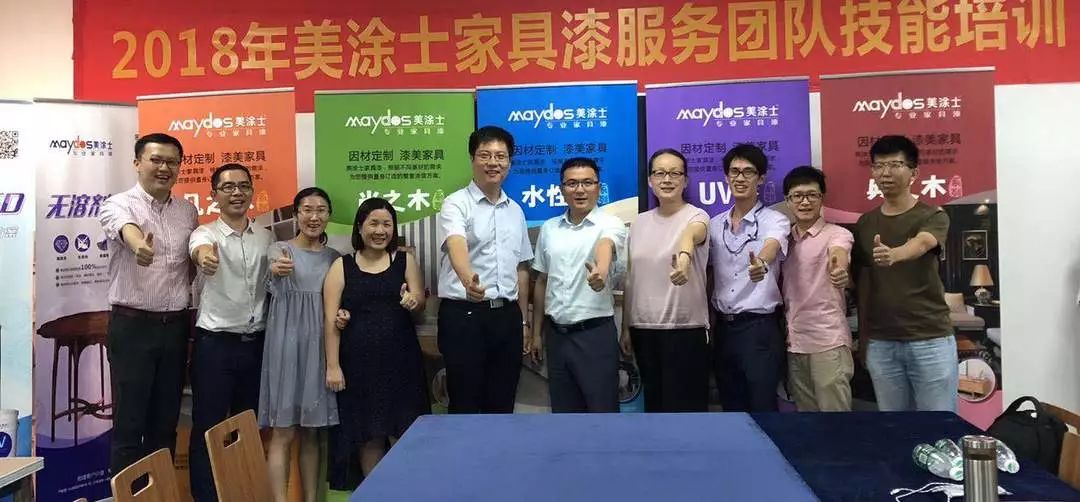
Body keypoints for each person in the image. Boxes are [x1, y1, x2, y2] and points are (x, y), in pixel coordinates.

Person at [98, 133, 198, 475]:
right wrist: (138, 244)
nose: (164, 168)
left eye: (172, 162)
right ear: (137, 163)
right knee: (129, 425)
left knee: (165, 424)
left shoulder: (187, 211)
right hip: (133, 328)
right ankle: (126, 496)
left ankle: (160, 494)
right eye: (156, 160)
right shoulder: (118, 204)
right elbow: (125, 228)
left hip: (175, 328)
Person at [323, 197, 429, 477]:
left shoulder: (405, 261)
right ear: (360, 227)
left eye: (387, 224)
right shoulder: (341, 266)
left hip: (402, 364)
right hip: (359, 367)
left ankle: (406, 493)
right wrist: (333, 366)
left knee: (407, 434)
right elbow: (331, 320)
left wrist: (413, 301)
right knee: (369, 436)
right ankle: (375, 492)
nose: (380, 231)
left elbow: (420, 300)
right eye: (373, 223)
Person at [187, 163, 273, 502]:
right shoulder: (205, 233)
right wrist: (205, 258)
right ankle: (206, 497)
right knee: (208, 426)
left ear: (251, 191)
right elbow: (200, 250)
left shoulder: (266, 237)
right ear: (214, 195)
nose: (237, 192)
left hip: (256, 345)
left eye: (243, 186)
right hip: (215, 347)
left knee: (246, 427)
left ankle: (242, 493)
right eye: (228, 187)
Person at [854, 135, 956, 412]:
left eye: (895, 165)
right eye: (879, 166)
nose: (885, 173)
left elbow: (923, 243)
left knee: (938, 425)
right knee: (894, 426)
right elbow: (864, 283)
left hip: (930, 339)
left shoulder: (932, 216)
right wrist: (864, 338)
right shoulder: (866, 223)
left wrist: (895, 254)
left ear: (914, 172)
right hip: (882, 342)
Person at [435, 125, 532, 414]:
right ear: (472, 159)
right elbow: (456, 243)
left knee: (502, 403)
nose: (493, 162)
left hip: (507, 317)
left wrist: (523, 322)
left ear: (510, 162)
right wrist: (469, 280)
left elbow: (521, 269)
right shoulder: (455, 203)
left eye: (501, 156)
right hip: (465, 315)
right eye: (485, 155)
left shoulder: (515, 210)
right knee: (464, 403)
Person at [259, 187, 342, 502]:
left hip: (320, 348)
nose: (314, 216)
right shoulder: (280, 249)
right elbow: (272, 273)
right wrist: (275, 270)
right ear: (296, 214)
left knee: (312, 432)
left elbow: (339, 302)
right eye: (307, 209)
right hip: (286, 345)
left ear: (329, 215)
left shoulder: (334, 258)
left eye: (321, 210)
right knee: (282, 432)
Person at [529, 157, 627, 413]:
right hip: (556, 336)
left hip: (594, 335)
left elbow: (606, 245)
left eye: (587, 183)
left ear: (598, 187)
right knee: (564, 414)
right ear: (561, 189)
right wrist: (537, 333)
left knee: (602, 412)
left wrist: (600, 272)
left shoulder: (611, 223)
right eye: (572, 183)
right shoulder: (550, 228)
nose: (580, 190)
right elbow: (542, 281)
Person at [624, 149, 710, 412]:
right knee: (655, 409)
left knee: (685, 411)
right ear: (650, 181)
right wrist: (626, 327)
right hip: (643, 330)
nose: (667, 179)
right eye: (660, 173)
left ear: (685, 180)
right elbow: (631, 279)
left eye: (675, 173)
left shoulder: (697, 216)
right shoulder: (638, 223)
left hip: (685, 330)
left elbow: (691, 235)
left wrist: (684, 257)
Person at [708, 143, 790, 412]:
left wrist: (762, 263)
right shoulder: (714, 224)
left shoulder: (775, 219)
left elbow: (772, 244)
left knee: (763, 408)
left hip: (759, 329)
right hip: (723, 328)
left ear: (761, 178)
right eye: (734, 171)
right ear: (726, 177)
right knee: (731, 408)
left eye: (748, 172)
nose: (740, 178)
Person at [781, 166, 855, 412]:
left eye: (812, 195)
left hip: (827, 343)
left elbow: (839, 254)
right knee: (807, 420)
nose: (805, 202)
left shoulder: (838, 234)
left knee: (836, 422)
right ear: (788, 201)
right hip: (794, 343)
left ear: (822, 198)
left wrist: (839, 270)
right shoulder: (784, 240)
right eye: (797, 196)